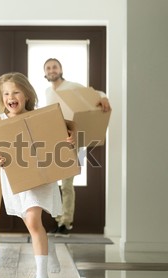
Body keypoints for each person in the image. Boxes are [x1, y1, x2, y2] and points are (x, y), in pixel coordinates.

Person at [0, 72, 74, 278]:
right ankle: (50, 247)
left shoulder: (39, 118)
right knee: (31, 223)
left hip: (39, 177)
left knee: (32, 220)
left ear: (26, 95)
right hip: (16, 179)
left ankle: (41, 275)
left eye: (16, 92)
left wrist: (68, 139)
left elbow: (62, 137)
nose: (11, 96)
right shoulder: (0, 121)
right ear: (2, 98)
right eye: (6, 93)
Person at [43, 58, 111, 236]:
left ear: (61, 69)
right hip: (54, 141)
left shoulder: (72, 86)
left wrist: (103, 98)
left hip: (73, 141)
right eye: (48, 68)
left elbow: (97, 93)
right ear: (45, 72)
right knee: (53, 184)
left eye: (55, 67)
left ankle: (66, 223)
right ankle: (58, 220)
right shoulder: (47, 92)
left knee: (67, 183)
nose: (52, 70)